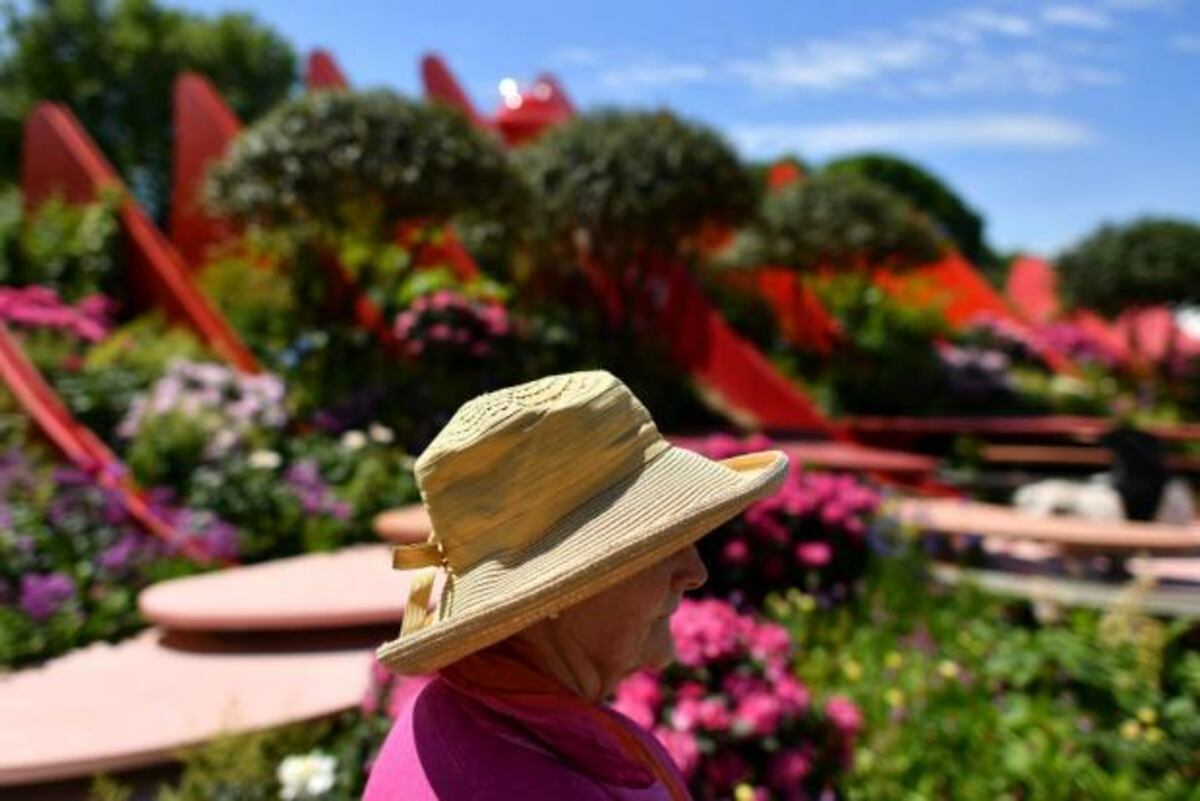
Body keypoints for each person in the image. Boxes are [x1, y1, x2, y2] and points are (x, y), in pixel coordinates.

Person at [363, 370, 787, 800]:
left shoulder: (471, 720)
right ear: (557, 591)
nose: (696, 572)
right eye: (661, 544)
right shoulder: (533, 775)